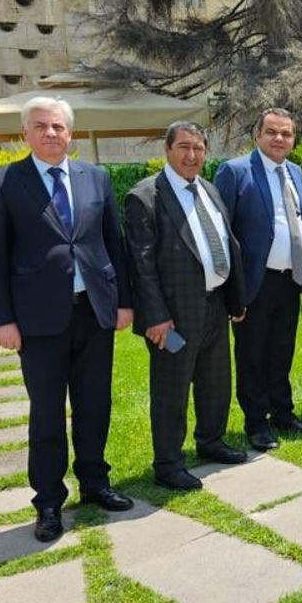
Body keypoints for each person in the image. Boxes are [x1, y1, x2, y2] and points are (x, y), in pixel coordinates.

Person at [0, 96, 135, 542]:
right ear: (25, 133)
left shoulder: (96, 178)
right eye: (41, 126)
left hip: (94, 311)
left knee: (94, 404)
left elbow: (114, 243)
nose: (51, 133)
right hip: (38, 320)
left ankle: (95, 482)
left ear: (71, 133)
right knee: (47, 412)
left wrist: (124, 301)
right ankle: (48, 502)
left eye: (58, 126)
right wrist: (3, 319)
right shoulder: (4, 183)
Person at [125, 122, 249, 491]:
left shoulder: (208, 189)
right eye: (183, 147)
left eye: (198, 148)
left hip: (214, 305)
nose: (191, 155)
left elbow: (227, 243)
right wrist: (156, 318)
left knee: (216, 382)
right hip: (173, 316)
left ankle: (211, 441)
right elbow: (141, 266)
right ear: (167, 150)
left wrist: (235, 298)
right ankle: (168, 463)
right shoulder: (145, 197)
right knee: (172, 390)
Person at [214, 108, 302, 453]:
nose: (279, 138)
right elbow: (223, 231)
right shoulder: (235, 171)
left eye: (286, 133)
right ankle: (256, 422)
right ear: (257, 135)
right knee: (252, 356)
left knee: (280, 352)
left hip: (289, 281)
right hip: (253, 284)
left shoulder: (295, 172)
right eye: (272, 132)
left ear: (293, 139)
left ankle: (283, 414)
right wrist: (233, 290)